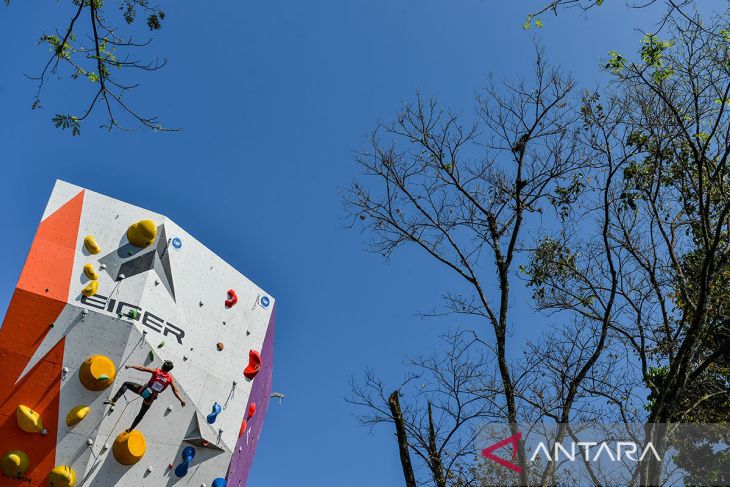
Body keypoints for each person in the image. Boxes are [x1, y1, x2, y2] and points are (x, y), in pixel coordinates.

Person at [105, 360, 186, 430]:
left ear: (163, 365)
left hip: (144, 390)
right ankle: (131, 429)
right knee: (141, 414)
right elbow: (175, 390)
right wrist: (181, 400)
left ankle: (113, 400)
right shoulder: (169, 378)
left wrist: (131, 366)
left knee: (126, 384)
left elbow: (143, 369)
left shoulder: (157, 371)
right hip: (150, 398)